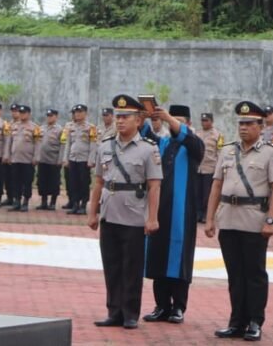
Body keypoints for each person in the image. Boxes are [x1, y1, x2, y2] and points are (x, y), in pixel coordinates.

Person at [205, 101, 273, 342]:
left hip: (253, 220)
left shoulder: (272, 152)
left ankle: (254, 321)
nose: (243, 128)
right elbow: (217, 185)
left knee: (254, 274)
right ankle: (236, 321)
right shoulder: (228, 150)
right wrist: (210, 218)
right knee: (234, 274)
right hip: (228, 218)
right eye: (241, 123)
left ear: (261, 126)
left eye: (249, 123)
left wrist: (271, 219)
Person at [88, 94, 162, 330]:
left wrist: (152, 217)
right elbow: (98, 182)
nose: (120, 121)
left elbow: (154, 185)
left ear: (139, 121)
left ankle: (130, 313)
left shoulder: (148, 149)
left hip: (133, 215)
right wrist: (93, 212)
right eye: (118, 116)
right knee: (111, 265)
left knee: (131, 267)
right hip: (109, 213)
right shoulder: (105, 146)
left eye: (125, 117)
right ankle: (114, 311)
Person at [142, 104, 204, 325]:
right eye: (169, 119)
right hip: (159, 209)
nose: (170, 123)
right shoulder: (163, 143)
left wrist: (168, 117)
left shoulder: (193, 144)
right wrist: (144, 115)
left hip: (182, 210)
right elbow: (145, 135)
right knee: (157, 255)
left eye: (176, 120)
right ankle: (162, 305)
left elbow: (188, 139)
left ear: (186, 122)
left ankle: (178, 306)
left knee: (179, 259)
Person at [61, 102, 98, 215]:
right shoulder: (70, 127)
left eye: (80, 112)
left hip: (84, 160)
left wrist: (91, 159)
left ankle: (83, 204)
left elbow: (93, 145)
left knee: (84, 183)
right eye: (76, 112)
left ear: (85, 114)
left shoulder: (90, 127)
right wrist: (65, 158)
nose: (77, 114)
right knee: (73, 182)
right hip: (73, 159)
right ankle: (75, 204)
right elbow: (67, 144)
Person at [7, 104, 41, 211]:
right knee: (15, 180)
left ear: (29, 114)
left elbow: (37, 144)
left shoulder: (34, 127)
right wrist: (7, 155)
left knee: (27, 181)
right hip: (15, 158)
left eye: (24, 113)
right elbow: (9, 142)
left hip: (28, 159)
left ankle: (25, 202)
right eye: (20, 113)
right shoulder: (13, 126)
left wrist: (36, 157)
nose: (22, 115)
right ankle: (17, 201)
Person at [195, 112, 224, 224]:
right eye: (203, 120)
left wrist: (219, 170)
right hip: (198, 168)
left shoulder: (218, 135)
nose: (204, 123)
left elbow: (220, 153)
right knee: (197, 193)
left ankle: (206, 215)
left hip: (210, 168)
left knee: (207, 194)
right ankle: (198, 214)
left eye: (206, 120)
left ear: (212, 121)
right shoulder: (197, 133)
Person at [36, 108, 62, 210]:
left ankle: (53, 203)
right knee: (42, 181)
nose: (49, 118)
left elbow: (62, 146)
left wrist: (60, 159)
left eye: (51, 116)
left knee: (54, 182)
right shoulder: (41, 128)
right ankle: (44, 202)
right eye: (48, 116)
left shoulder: (60, 130)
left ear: (56, 117)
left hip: (53, 160)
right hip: (42, 160)